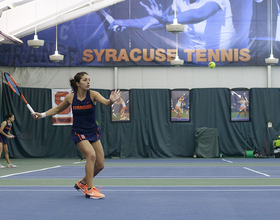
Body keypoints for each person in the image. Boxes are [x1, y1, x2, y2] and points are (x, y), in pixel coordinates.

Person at [32, 72, 121, 199]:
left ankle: (82, 183)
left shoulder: (93, 94)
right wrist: (42, 114)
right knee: (91, 156)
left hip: (93, 132)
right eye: (85, 80)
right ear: (78, 83)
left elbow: (106, 103)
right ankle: (89, 189)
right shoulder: (70, 98)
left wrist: (111, 101)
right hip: (79, 132)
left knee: (100, 165)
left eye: (89, 79)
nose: (88, 82)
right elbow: (57, 109)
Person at [109, 0, 237, 51]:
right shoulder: (179, 1)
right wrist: (124, 22)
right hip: (198, 55)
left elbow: (200, 14)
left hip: (227, 54)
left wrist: (164, 18)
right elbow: (157, 21)